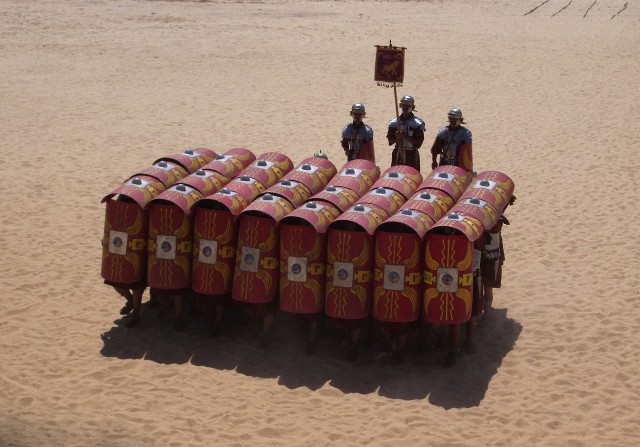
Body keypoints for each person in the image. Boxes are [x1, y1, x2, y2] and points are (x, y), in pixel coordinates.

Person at [386, 95, 425, 171]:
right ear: (400, 106)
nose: (405, 108)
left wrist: (404, 136)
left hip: (411, 154)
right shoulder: (394, 123)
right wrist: (396, 139)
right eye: (404, 105)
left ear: (412, 107)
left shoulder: (417, 124)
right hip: (398, 153)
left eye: (408, 106)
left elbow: (419, 142)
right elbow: (390, 140)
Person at [430, 108, 473, 172]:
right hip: (444, 161)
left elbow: (466, 152)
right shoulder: (443, 132)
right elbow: (435, 149)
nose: (452, 121)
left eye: (455, 119)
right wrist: (434, 161)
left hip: (458, 163)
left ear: (460, 120)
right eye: (451, 119)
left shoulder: (465, 134)